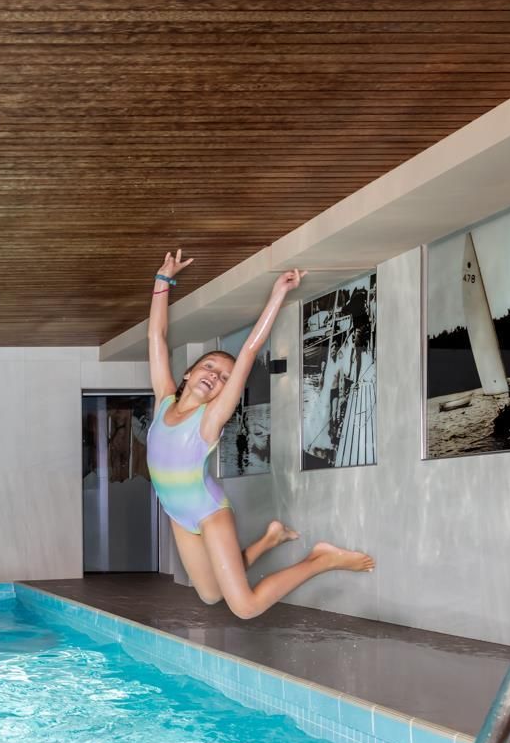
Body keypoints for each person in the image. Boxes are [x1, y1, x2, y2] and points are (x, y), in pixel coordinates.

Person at [145, 249, 375, 619]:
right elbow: (156, 336)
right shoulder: (163, 401)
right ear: (188, 373)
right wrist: (162, 280)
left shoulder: (209, 419)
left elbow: (250, 351)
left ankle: (321, 559)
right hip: (177, 513)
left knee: (246, 607)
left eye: (223, 377)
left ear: (224, 393)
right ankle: (270, 539)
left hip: (207, 513)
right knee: (210, 595)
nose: (214, 376)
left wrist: (277, 294)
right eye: (209, 366)